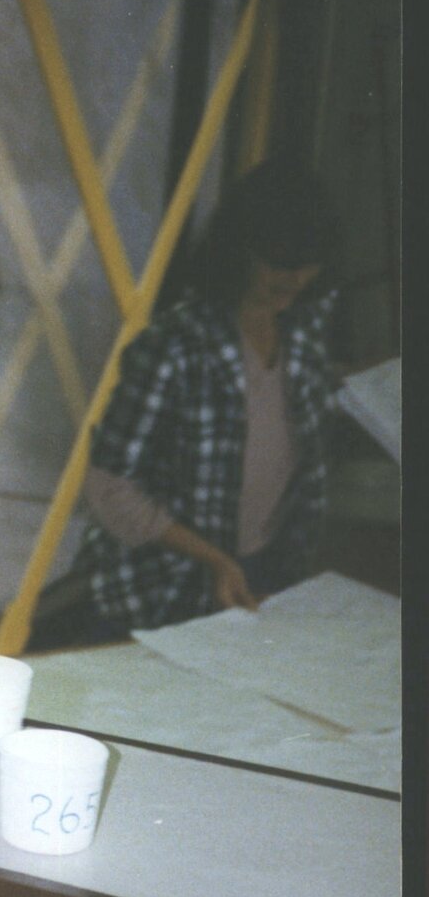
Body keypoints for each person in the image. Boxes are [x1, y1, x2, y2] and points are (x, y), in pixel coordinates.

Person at [71, 157, 341, 638]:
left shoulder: (306, 330)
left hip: (262, 573)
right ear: (242, 250)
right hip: (159, 587)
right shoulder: (174, 346)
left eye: (308, 266)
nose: (295, 280)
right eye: (280, 262)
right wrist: (213, 558)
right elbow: (110, 488)